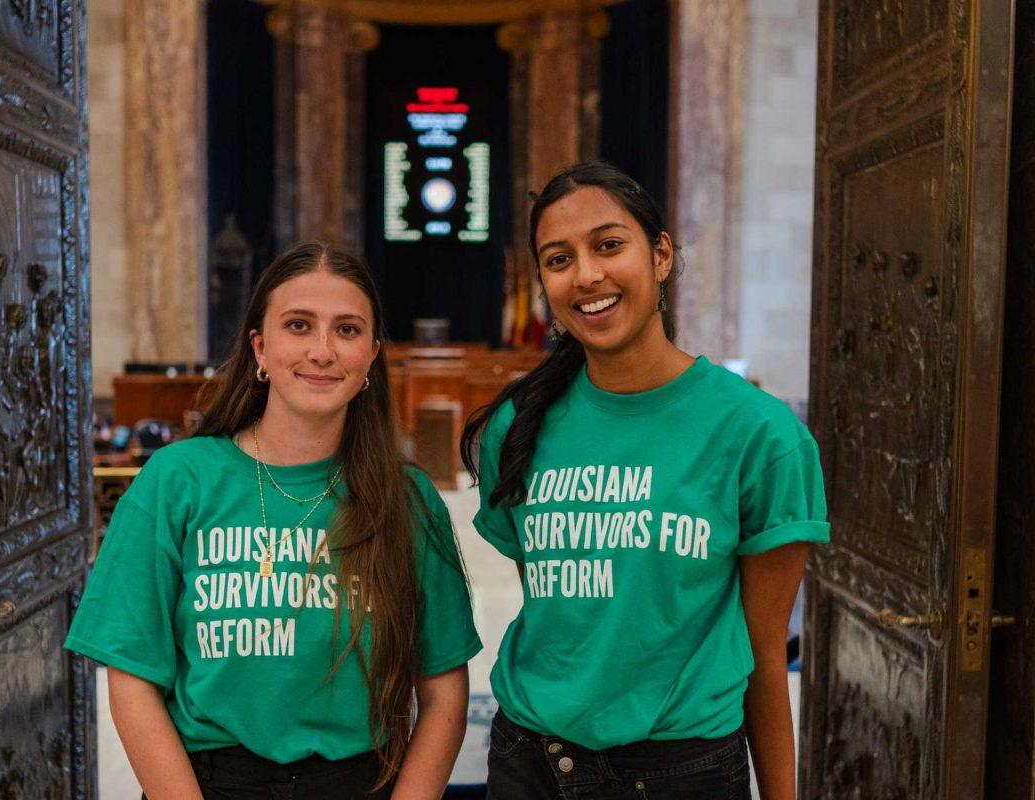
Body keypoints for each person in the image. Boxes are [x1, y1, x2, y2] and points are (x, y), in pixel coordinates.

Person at [461, 162, 828, 800]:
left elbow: (767, 659)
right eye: (558, 258)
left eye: (608, 245)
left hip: (680, 774)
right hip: (529, 763)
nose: (587, 276)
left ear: (660, 256)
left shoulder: (760, 436)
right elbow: (560, 613)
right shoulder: (515, 429)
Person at [67, 242, 482, 800]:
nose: (323, 350)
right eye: (299, 325)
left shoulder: (406, 499)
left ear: (372, 357)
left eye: (348, 330)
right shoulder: (178, 479)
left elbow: (444, 696)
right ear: (259, 348)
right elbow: (133, 681)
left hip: (359, 782)